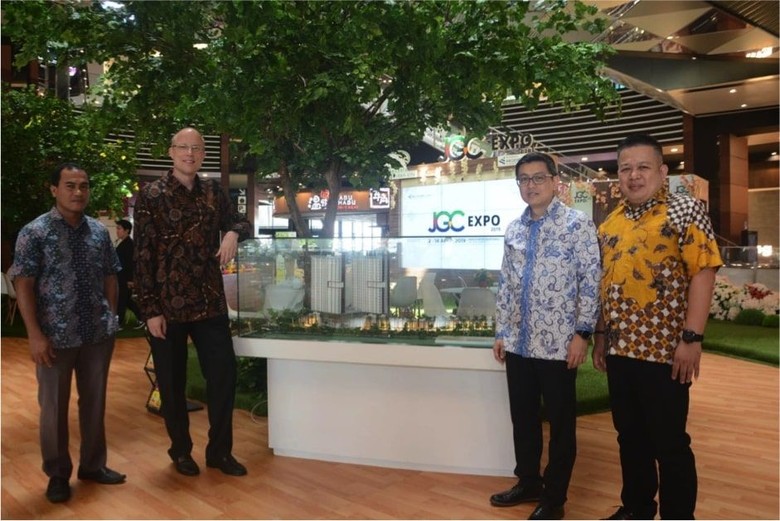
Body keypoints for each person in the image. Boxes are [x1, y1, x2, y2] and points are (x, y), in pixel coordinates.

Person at [593, 134, 722, 520]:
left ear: (663, 172)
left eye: (643, 167)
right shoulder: (611, 222)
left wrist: (692, 338)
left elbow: (703, 272)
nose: (633, 175)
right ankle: (637, 508)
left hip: (665, 352)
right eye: (626, 168)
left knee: (669, 443)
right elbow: (605, 282)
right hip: (620, 350)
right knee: (629, 437)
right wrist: (601, 336)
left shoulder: (685, 210)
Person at [134, 127, 252, 478]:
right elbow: (143, 255)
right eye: (183, 147)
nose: (190, 153)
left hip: (209, 301)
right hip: (166, 306)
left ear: (203, 154)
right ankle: (181, 451)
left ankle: (220, 452)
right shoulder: (151, 194)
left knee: (223, 377)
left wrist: (233, 233)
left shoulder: (214, 191)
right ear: (171, 152)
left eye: (196, 148)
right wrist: (150, 310)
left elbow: (242, 221)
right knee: (171, 385)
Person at [491, 152, 601, 520]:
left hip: (558, 345)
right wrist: (502, 331)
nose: (531, 185)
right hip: (518, 343)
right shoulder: (514, 229)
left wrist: (582, 333)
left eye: (538, 177)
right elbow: (506, 284)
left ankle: (554, 499)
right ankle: (528, 481)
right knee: (523, 418)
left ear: (555, 182)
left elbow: (591, 282)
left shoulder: (577, 225)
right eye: (524, 179)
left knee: (561, 426)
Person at [8, 163, 126, 504]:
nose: (78, 192)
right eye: (70, 185)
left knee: (95, 403)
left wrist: (111, 316)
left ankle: (93, 465)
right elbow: (23, 284)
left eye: (84, 185)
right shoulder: (34, 232)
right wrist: (34, 334)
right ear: (54, 190)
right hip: (54, 338)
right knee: (53, 408)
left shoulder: (98, 232)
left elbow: (111, 276)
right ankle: (58, 474)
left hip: (96, 335)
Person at [114, 219, 143, 329]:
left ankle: (118, 323)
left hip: (125, 279)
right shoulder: (123, 244)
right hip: (121, 278)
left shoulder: (129, 245)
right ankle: (142, 318)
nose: (117, 231)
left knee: (122, 300)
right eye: (117, 228)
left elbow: (130, 264)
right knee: (126, 301)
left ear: (127, 230)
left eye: (119, 229)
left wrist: (130, 279)